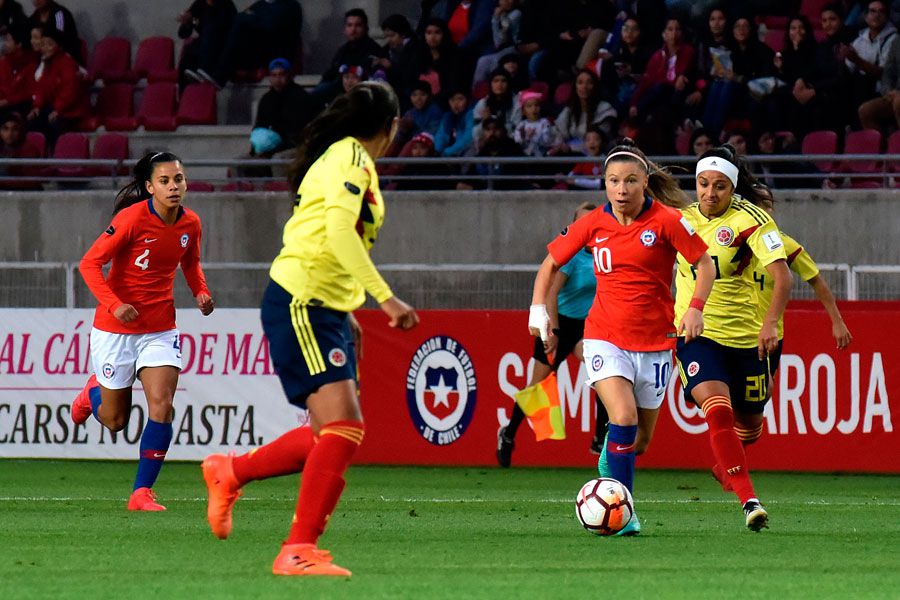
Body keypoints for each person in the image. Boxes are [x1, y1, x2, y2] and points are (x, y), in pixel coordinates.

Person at [200, 81, 419, 577]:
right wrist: (383, 298)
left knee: (330, 432)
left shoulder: (341, 156)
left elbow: (320, 234)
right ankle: (296, 550)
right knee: (345, 426)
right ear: (391, 126)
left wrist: (346, 312)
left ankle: (229, 471)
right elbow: (339, 232)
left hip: (321, 305)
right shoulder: (354, 160)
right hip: (302, 301)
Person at [529, 139, 715, 535]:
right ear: (605, 184)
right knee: (624, 417)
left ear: (645, 182)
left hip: (656, 342)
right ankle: (624, 512)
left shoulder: (666, 221)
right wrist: (538, 312)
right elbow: (549, 265)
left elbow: (703, 263)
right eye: (614, 181)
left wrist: (696, 307)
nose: (622, 189)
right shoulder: (592, 223)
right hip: (604, 337)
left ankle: (607, 474)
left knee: (639, 440)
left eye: (631, 181)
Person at [70, 151, 215, 512]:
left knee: (162, 407)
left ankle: (141, 493)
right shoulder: (131, 219)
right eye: (164, 181)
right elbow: (89, 264)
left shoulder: (191, 223)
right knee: (115, 420)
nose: (173, 187)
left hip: (160, 328)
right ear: (150, 187)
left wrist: (200, 290)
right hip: (115, 329)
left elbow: (191, 263)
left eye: (178, 179)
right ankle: (92, 394)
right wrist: (114, 304)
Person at [674, 143, 793, 532]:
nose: (710, 193)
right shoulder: (681, 219)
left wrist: (769, 324)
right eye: (704, 184)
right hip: (697, 334)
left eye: (720, 186)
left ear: (733, 188)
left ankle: (726, 465)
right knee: (718, 411)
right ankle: (749, 501)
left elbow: (782, 276)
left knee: (750, 427)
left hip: (745, 338)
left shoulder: (751, 220)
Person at [498, 202, 608, 467]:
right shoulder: (570, 256)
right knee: (536, 385)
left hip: (586, 327)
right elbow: (550, 293)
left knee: (604, 373)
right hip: (559, 324)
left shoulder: (603, 252)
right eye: (581, 222)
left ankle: (599, 437)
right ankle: (509, 433)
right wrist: (553, 329)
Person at [26, 24, 89, 148]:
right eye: (43, 44)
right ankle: (37, 160)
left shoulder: (67, 63)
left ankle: (57, 159)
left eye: (49, 44)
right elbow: (41, 88)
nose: (45, 48)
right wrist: (37, 106)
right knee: (32, 122)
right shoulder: (47, 63)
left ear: (58, 46)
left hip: (71, 111)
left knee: (55, 124)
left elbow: (70, 92)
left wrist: (58, 110)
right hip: (53, 108)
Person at [178, 0, 237, 88]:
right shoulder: (199, 4)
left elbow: (217, 28)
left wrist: (193, 20)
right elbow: (182, 34)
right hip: (203, 45)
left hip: (219, 46)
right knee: (186, 61)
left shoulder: (226, 5)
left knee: (207, 36)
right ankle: (184, 99)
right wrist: (187, 23)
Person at [0, 23, 38, 118]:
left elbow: (30, 92)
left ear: (19, 44)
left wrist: (8, 101)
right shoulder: (4, 61)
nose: (5, 44)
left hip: (20, 106)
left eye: (9, 40)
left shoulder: (31, 64)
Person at [513, 89, 558, 157]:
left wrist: (534, 136)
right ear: (523, 111)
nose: (534, 109)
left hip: (543, 156)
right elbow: (517, 141)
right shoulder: (521, 125)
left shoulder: (545, 122)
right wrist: (526, 137)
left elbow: (548, 141)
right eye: (529, 106)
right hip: (525, 157)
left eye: (536, 105)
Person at [433, 87, 475, 156]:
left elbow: (468, 138)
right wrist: (436, 152)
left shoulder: (471, 114)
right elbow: (441, 136)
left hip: (466, 154)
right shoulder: (448, 116)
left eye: (460, 99)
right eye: (452, 100)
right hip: (451, 155)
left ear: (468, 100)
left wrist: (447, 152)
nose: (456, 103)